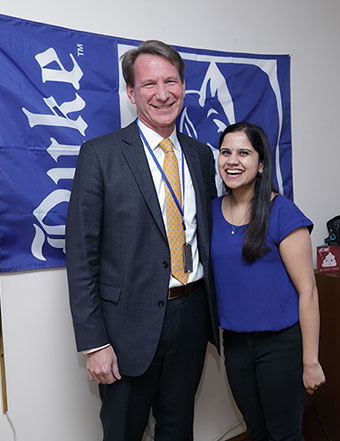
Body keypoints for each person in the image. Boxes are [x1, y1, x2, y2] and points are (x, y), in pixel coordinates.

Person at [66, 40, 219, 441]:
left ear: (184, 86)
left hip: (191, 316)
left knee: (177, 429)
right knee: (122, 433)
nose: (163, 93)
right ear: (131, 93)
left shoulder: (201, 155)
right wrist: (94, 343)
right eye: (150, 84)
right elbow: (82, 256)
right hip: (125, 329)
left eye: (172, 81)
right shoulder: (99, 155)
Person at [211, 121, 326, 441]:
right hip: (234, 345)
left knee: (284, 435)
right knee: (256, 431)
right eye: (226, 152)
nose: (232, 161)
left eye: (244, 153)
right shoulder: (210, 213)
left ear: (261, 164)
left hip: (281, 345)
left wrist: (311, 362)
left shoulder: (283, 213)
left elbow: (309, 292)